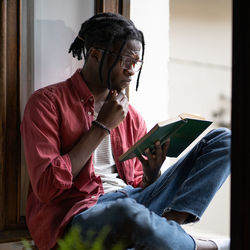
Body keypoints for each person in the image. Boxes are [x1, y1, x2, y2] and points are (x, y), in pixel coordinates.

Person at [21, 12, 231, 250]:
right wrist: (101, 127)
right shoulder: (47, 103)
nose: (132, 70)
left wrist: (152, 174)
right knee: (126, 212)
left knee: (225, 140)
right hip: (81, 215)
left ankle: (169, 228)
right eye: (125, 61)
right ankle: (194, 245)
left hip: (134, 202)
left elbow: (140, 187)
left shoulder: (130, 116)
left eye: (136, 63)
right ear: (95, 54)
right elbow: (47, 187)